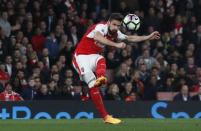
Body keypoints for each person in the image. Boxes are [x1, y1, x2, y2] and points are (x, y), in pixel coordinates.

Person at [72, 13, 160, 124]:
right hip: (80, 57)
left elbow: (130, 38)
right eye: (114, 24)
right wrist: (116, 45)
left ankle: (101, 79)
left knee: (101, 59)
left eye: (118, 26)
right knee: (92, 84)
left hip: (93, 56)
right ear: (108, 23)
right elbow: (98, 37)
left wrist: (148, 37)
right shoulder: (100, 27)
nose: (116, 28)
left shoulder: (115, 33)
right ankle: (105, 116)